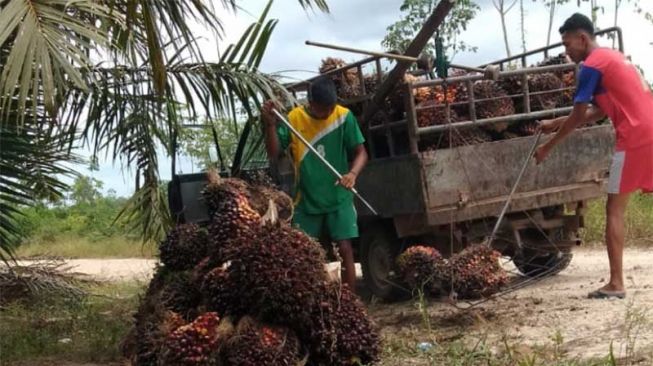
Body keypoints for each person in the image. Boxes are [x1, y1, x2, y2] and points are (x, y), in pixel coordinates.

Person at [535, 13, 653, 299]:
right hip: (650, 127)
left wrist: (549, 146)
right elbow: (599, 111)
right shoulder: (614, 57)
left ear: (582, 38)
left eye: (568, 44)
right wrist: (554, 123)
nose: (566, 51)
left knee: (614, 209)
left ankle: (616, 284)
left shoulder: (590, 66)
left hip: (635, 137)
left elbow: (578, 116)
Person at [261, 77, 368, 290]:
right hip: (306, 198)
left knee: (345, 247)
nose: (327, 113)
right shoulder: (294, 118)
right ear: (310, 102)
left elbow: (361, 152)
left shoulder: (343, 116)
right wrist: (270, 125)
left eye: (330, 108)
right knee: (307, 251)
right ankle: (314, 296)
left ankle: (351, 301)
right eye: (323, 109)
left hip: (339, 196)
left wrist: (352, 174)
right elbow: (273, 153)